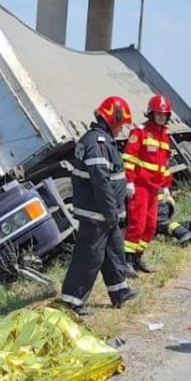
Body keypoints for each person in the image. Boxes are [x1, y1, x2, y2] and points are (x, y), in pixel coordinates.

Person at [58, 96, 139, 315]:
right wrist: (111, 211)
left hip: (105, 213)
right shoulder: (97, 143)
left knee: (114, 251)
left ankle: (119, 290)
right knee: (90, 256)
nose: (122, 130)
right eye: (121, 125)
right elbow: (101, 181)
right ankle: (72, 300)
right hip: (97, 213)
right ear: (114, 118)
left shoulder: (100, 140)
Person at [122, 94, 174, 274]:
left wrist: (166, 186)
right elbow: (129, 158)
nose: (161, 117)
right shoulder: (140, 131)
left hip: (155, 188)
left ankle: (137, 258)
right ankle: (126, 261)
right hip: (139, 186)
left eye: (164, 114)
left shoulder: (164, 135)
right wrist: (129, 181)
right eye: (158, 114)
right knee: (137, 223)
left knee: (151, 225)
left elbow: (164, 164)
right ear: (151, 113)